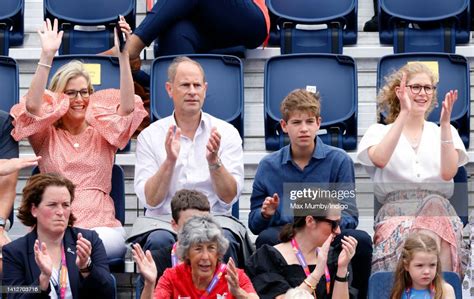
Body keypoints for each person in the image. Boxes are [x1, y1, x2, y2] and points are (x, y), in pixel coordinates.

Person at [9, 19, 147, 260]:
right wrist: (46, 56)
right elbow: (31, 108)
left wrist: (124, 58)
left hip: (101, 229)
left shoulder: (103, 129)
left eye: (84, 92)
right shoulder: (46, 133)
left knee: (84, 245)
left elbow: (127, 108)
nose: (79, 99)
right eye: (71, 93)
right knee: (58, 245)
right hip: (55, 228)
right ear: (59, 96)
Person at [248, 88, 372, 298]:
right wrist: (266, 214)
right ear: (284, 126)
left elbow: (350, 215)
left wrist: (322, 221)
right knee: (266, 238)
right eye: (296, 122)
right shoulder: (268, 166)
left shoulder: (339, 160)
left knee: (360, 240)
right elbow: (254, 223)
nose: (303, 129)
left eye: (309, 121)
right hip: (287, 236)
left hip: (327, 231)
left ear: (318, 123)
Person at [357, 62, 468, 274]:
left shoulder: (445, 131)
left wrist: (445, 126)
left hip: (441, 215)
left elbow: (448, 173)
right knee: (422, 235)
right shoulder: (378, 131)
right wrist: (404, 113)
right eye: (415, 87)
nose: (422, 93)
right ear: (399, 91)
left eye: (428, 88)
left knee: (435, 207)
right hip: (396, 219)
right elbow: (380, 159)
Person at [134, 56, 244, 257]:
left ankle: (225, 290)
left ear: (205, 89)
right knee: (158, 241)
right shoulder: (149, 136)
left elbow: (229, 196)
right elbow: (151, 201)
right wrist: (169, 162)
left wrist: (214, 162)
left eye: (197, 85)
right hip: (165, 222)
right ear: (169, 89)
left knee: (225, 239)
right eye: (185, 85)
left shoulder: (226, 133)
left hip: (213, 219)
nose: (192, 91)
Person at [2, 173, 114, 298]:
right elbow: (14, 295)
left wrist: (86, 267)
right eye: (52, 205)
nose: (60, 212)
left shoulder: (89, 240)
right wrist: (42, 281)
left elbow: (108, 292)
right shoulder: (14, 252)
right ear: (34, 210)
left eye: (65, 205)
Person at [133, 189, 255, 295]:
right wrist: (150, 283)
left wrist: (239, 293)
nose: (198, 228)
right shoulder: (158, 263)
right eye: (191, 223)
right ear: (174, 225)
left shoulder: (224, 258)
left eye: (203, 221)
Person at [246, 196, 358, 298]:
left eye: (339, 223)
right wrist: (317, 273)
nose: (338, 231)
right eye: (333, 224)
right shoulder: (268, 258)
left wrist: (342, 270)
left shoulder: (335, 256)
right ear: (310, 221)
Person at [124, 0, 270, 58]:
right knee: (175, 30)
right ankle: (180, 117)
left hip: (245, 19)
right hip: (198, 29)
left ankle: (134, 45)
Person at [390, 233, 455, 299]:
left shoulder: (445, 291)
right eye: (419, 265)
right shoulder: (399, 293)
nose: (427, 271)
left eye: (432, 265)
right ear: (406, 266)